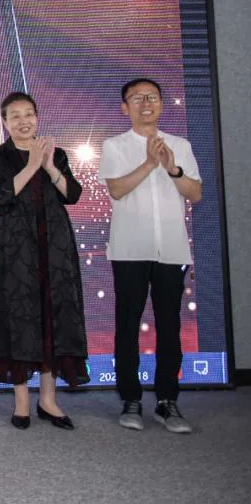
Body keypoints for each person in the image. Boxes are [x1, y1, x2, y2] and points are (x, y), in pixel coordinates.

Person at [99, 78, 202, 434]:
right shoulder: (115, 146)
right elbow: (116, 189)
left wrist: (172, 169)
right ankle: (130, 398)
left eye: (153, 97)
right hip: (130, 249)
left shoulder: (180, 146)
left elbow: (195, 193)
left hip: (171, 249)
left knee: (170, 325)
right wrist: (148, 164)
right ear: (124, 107)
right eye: (138, 98)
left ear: (160, 103)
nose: (146, 103)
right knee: (127, 324)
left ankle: (167, 400)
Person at [0, 92, 89, 430]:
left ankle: (48, 400)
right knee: (19, 317)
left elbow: (72, 195)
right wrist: (31, 165)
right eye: (15, 116)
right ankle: (21, 404)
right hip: (16, 249)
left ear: (37, 117)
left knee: (52, 316)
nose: (23, 121)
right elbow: (2, 194)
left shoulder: (55, 153)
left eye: (28, 114)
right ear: (5, 122)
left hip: (54, 247)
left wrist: (48, 166)